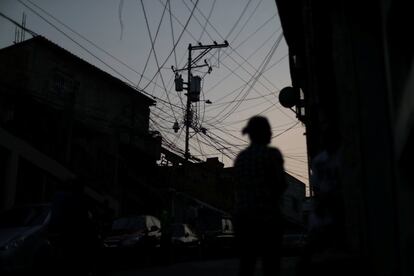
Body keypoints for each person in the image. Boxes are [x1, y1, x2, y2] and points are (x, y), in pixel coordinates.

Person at [233, 116, 287, 276]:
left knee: (246, 265)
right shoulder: (271, 154)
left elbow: (237, 187)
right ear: (263, 133)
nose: (271, 133)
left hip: (243, 220)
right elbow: (280, 185)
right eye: (268, 130)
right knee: (271, 266)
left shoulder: (241, 158)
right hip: (267, 219)